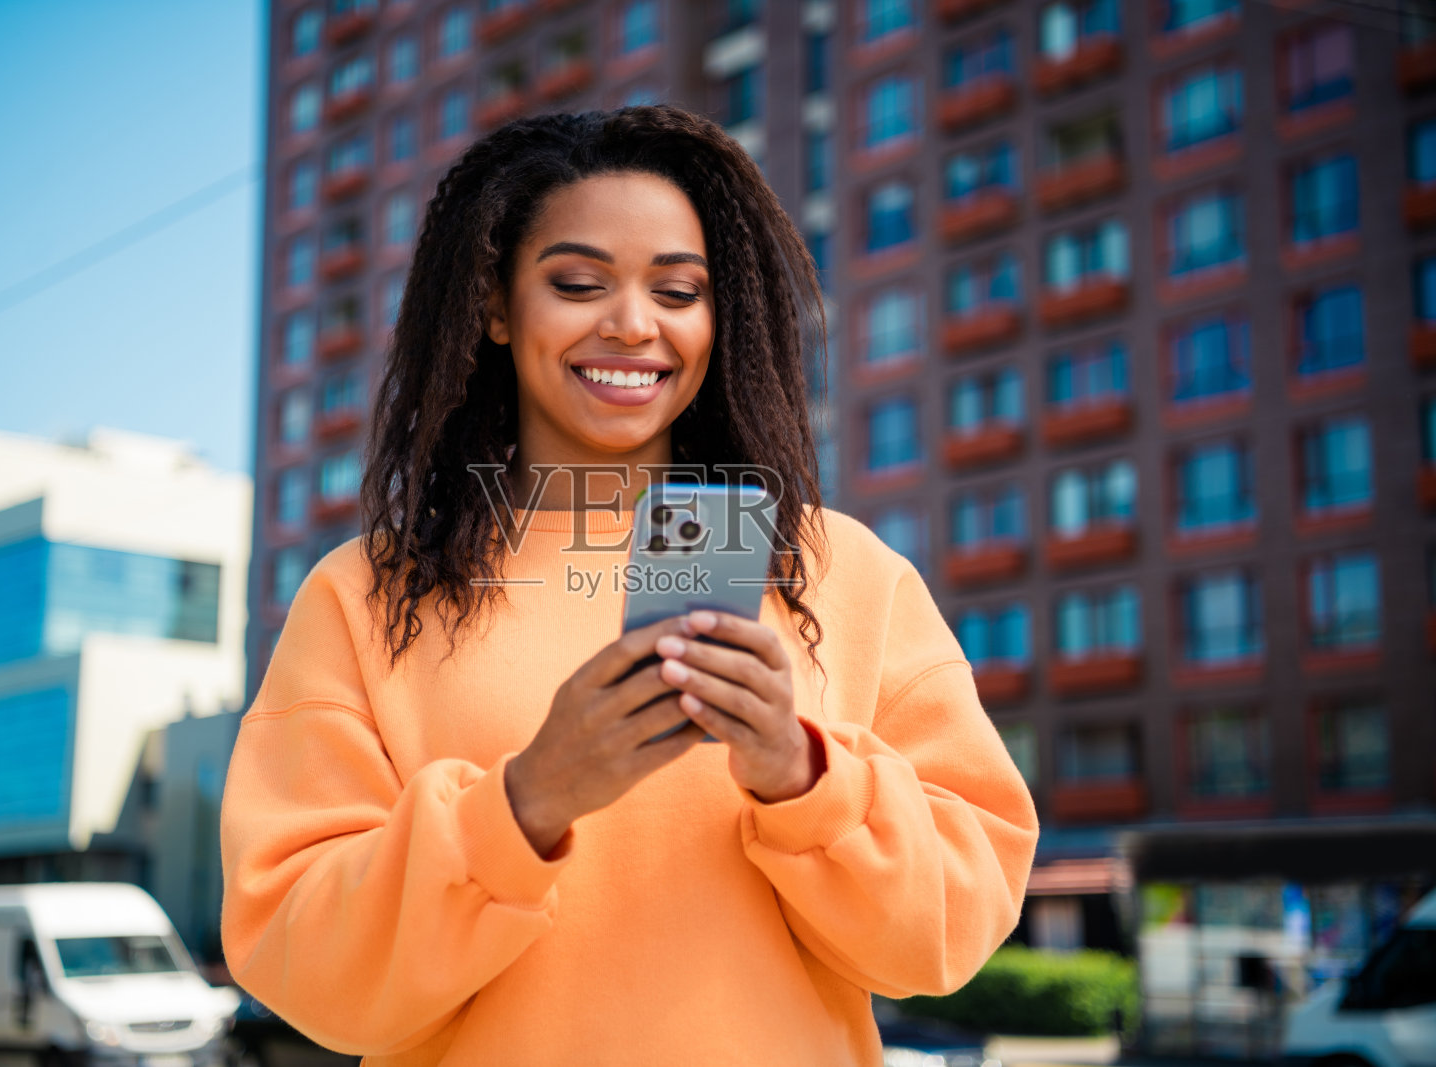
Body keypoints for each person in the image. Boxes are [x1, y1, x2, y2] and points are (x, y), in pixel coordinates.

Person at [220, 105, 1038, 1066]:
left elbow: (955, 926)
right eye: (577, 283)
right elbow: (300, 962)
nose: (634, 325)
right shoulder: (366, 593)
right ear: (494, 305)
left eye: (680, 291)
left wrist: (804, 777)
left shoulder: (838, 572)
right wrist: (525, 802)